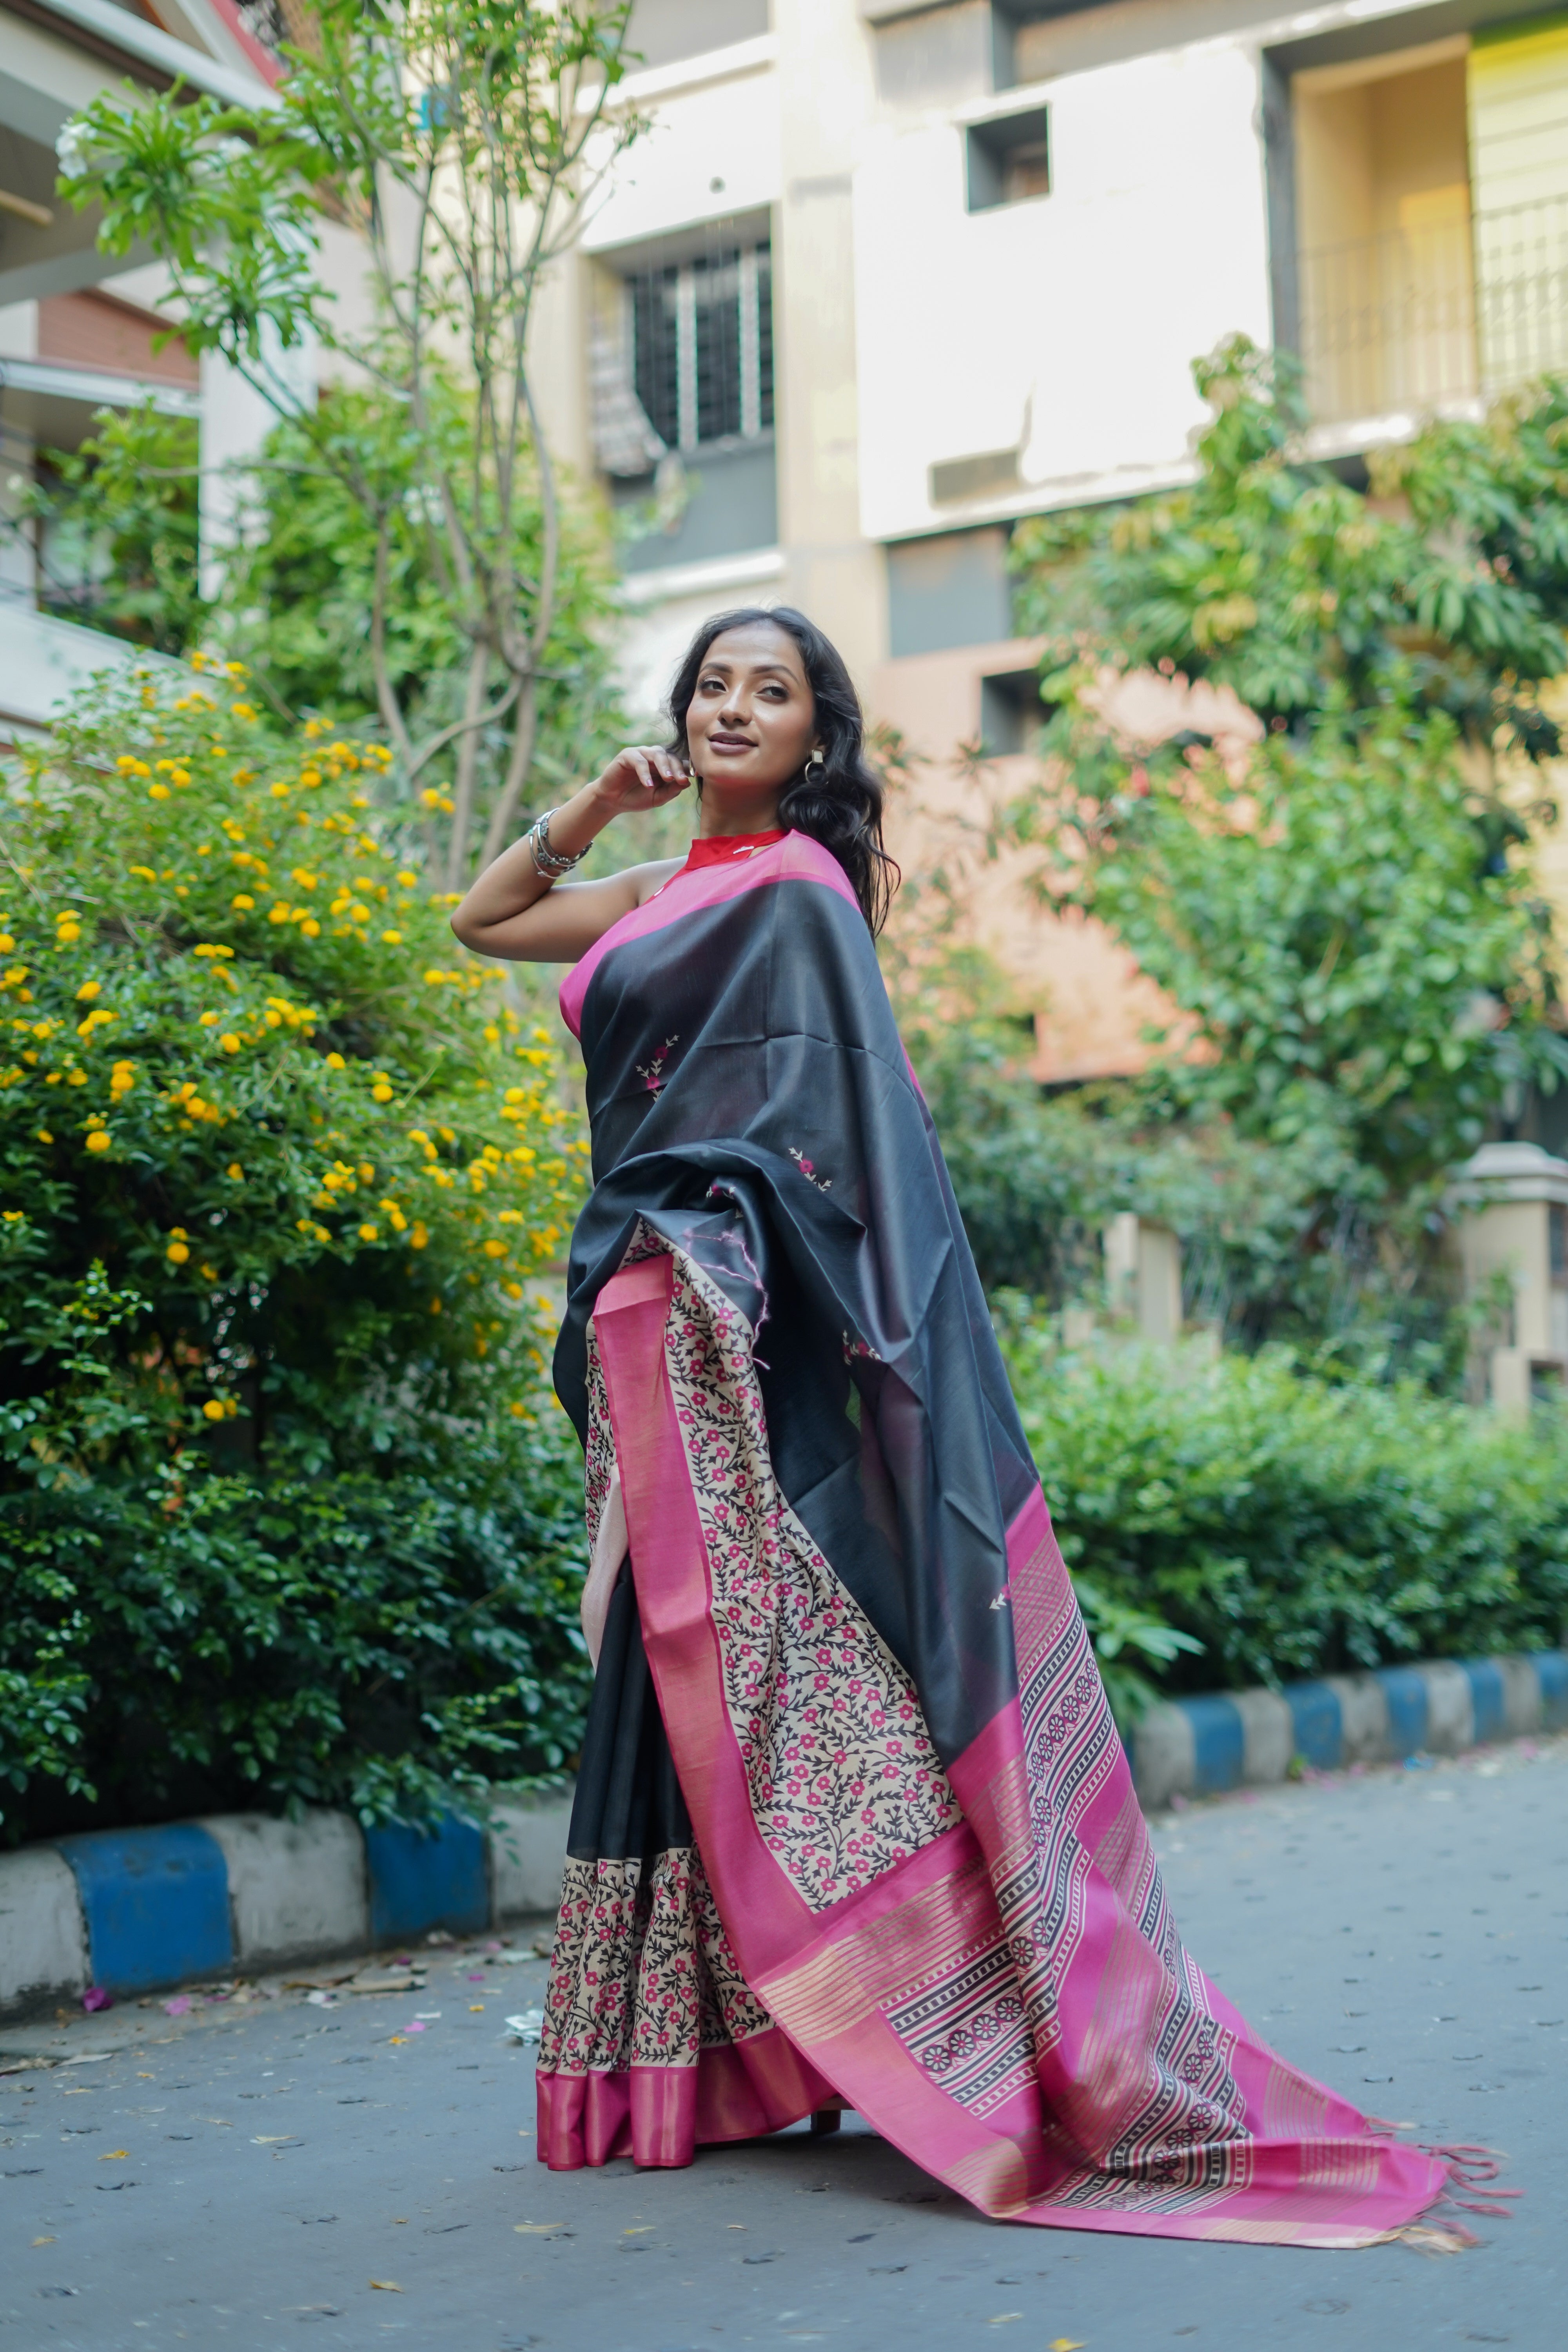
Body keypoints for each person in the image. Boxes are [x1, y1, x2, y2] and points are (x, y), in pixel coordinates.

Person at [451, 607, 1455, 2243]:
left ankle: (963, 2015)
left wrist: (720, 1250)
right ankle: (704, 2067)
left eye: (770, 693)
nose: (732, 708)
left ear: (813, 741)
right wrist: (591, 808)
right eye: (713, 684)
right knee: (668, 1677)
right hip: (636, 1315)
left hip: (728, 1324)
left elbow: (835, 1138)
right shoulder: (659, 888)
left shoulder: (800, 895)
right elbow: (481, 920)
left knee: (776, 1682)